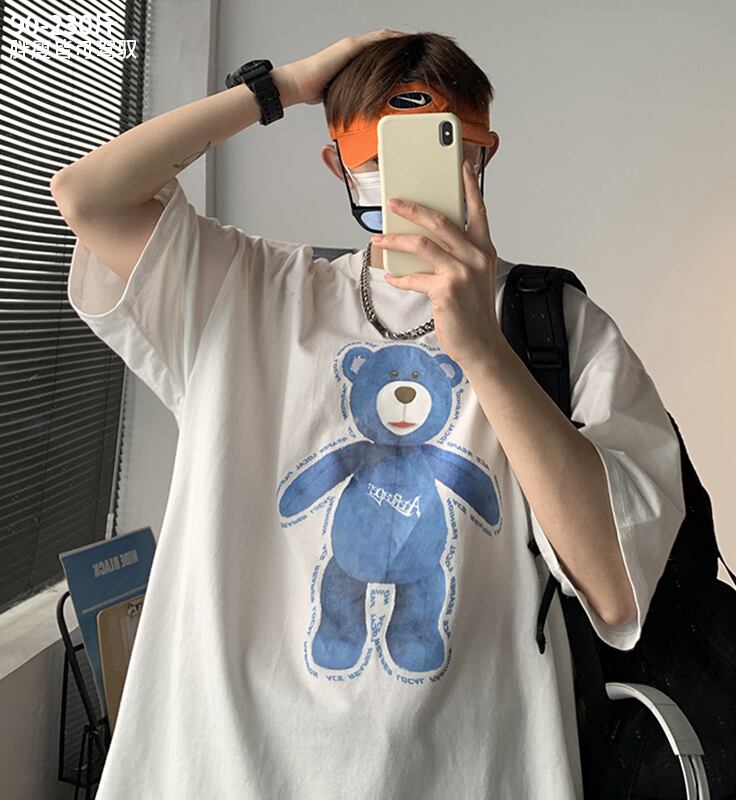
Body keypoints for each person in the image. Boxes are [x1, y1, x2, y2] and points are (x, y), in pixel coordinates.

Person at [51, 28, 685, 800]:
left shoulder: (560, 327)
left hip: (468, 772)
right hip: (223, 770)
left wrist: (484, 351)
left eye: (442, 146)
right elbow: (89, 197)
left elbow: (616, 591)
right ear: (338, 164)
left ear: (483, 155)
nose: (407, 181)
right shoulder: (243, 292)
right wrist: (279, 88)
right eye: (378, 155)